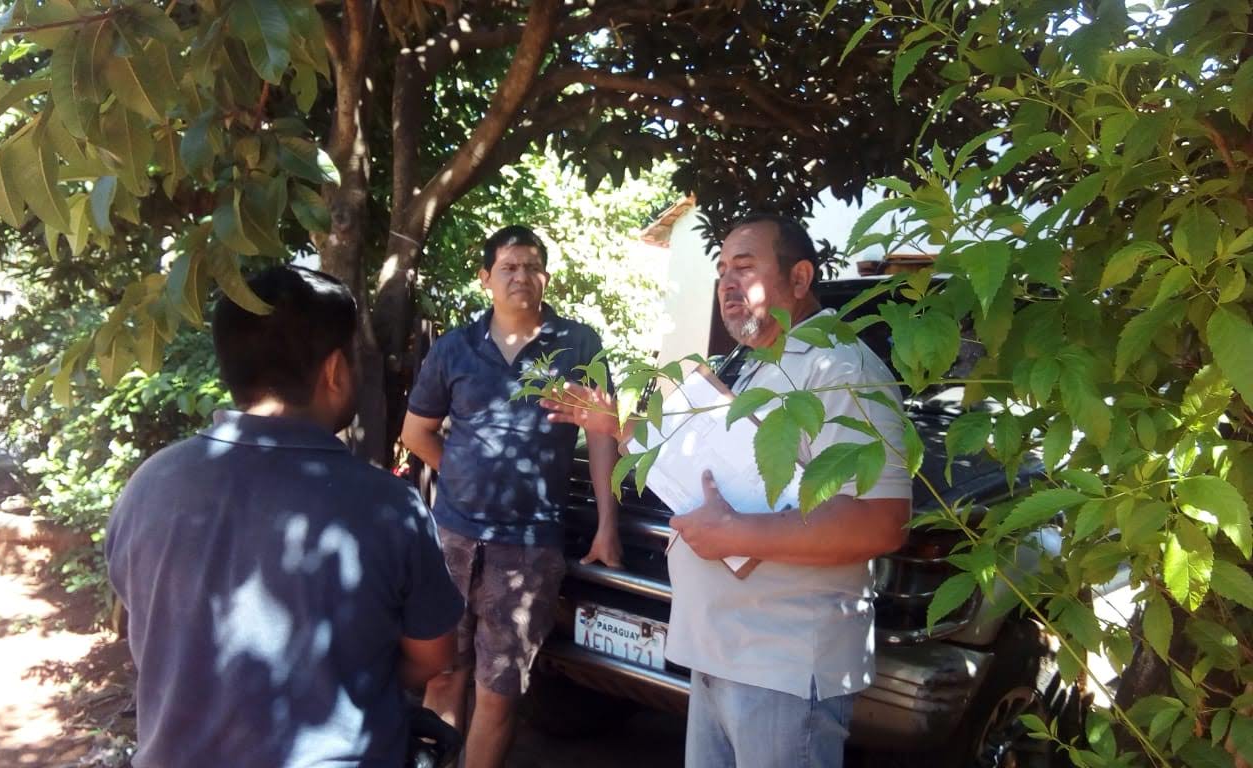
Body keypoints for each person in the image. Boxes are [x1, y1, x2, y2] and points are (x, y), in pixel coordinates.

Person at [542, 214, 913, 768]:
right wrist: (617, 426)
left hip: (784, 664)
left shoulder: (840, 369)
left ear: (799, 278)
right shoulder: (752, 366)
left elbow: (882, 520)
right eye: (721, 273)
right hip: (720, 650)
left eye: (744, 268)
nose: (727, 285)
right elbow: (703, 464)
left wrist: (736, 534)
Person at [106, 266, 464, 768]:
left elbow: (147, 631)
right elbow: (433, 657)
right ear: (335, 370)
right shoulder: (389, 506)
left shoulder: (150, 484)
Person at [401, 225, 622, 768]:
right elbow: (416, 432)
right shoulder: (454, 348)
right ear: (486, 278)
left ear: (545, 276)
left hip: (529, 548)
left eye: (532, 266)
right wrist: (463, 475)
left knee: (499, 692)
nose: (521, 276)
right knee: (443, 676)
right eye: (509, 267)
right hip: (452, 538)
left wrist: (607, 525)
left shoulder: (579, 345)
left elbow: (602, 436)